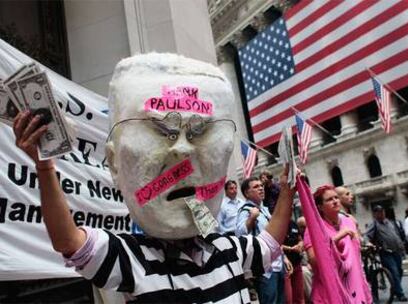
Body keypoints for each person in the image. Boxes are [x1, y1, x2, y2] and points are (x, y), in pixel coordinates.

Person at [12, 53, 295, 303]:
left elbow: (269, 244)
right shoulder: (133, 260)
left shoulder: (229, 250)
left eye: (199, 132)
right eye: (162, 131)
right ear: (114, 163)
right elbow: (70, 243)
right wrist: (45, 168)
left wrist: (288, 188)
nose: (183, 151)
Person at [304, 185, 372, 304]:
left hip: (355, 290)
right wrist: (336, 238)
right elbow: (314, 261)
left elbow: (356, 256)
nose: (335, 201)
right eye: (329, 199)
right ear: (320, 207)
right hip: (329, 293)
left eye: (336, 197)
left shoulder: (349, 221)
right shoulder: (313, 229)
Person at [236, 176, 286, 304]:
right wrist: (251, 218)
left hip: (278, 264)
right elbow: (240, 233)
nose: (261, 188)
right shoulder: (246, 210)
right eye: (256, 187)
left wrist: (284, 257)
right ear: (247, 193)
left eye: (261, 186)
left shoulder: (264, 209)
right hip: (265, 269)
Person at [366, 205, 408, 302]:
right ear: (375, 214)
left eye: (382, 211)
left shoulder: (390, 222)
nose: (381, 213)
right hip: (386, 252)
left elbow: (397, 234)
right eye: (378, 212)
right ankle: (400, 294)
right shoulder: (374, 224)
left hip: (397, 251)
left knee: (399, 271)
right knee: (394, 272)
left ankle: (395, 289)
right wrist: (368, 243)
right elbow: (367, 235)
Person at [283, 220, 305, 304]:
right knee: (289, 299)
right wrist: (290, 248)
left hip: (297, 264)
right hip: (285, 266)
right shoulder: (277, 223)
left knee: (299, 297)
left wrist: (300, 244)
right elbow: (276, 243)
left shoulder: (293, 224)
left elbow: (300, 239)